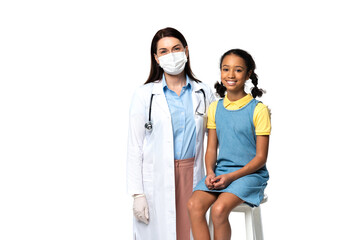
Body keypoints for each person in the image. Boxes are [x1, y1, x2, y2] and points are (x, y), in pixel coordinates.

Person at [126, 27, 215, 240]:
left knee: (189, 233)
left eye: (176, 48)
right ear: (156, 58)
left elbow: (217, 135)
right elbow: (135, 147)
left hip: (192, 175)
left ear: (186, 51)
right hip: (156, 178)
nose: (171, 55)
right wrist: (137, 193)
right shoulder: (144, 95)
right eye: (164, 51)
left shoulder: (203, 91)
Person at [187, 49, 271, 240]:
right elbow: (211, 149)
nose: (231, 75)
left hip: (250, 175)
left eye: (238, 70)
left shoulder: (259, 110)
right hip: (221, 172)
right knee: (194, 205)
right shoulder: (215, 108)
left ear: (248, 74)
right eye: (226, 69)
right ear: (221, 72)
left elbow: (260, 158)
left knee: (218, 210)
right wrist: (210, 172)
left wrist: (231, 177)